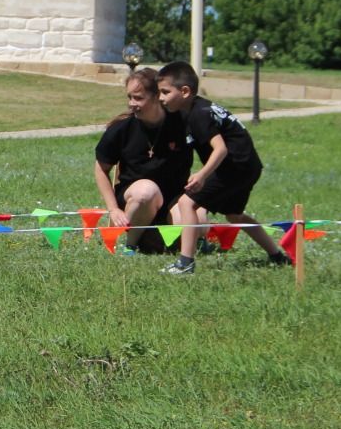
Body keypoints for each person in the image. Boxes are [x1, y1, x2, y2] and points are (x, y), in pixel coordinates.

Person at [155, 60, 290, 275]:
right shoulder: (195, 108)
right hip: (248, 166)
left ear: (185, 91)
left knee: (186, 202)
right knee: (235, 216)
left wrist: (202, 174)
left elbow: (220, 149)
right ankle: (277, 256)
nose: (161, 98)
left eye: (164, 92)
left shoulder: (199, 114)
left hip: (234, 167)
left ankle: (185, 263)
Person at [92, 66, 192, 253]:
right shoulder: (121, 129)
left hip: (174, 199)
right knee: (147, 191)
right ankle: (129, 244)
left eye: (138, 98)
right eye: (129, 97)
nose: (131, 103)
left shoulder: (183, 123)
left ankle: (169, 240)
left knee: (199, 222)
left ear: (157, 97)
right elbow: (101, 168)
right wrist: (113, 209)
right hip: (136, 200)